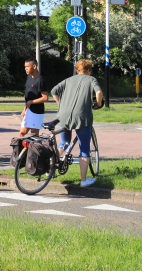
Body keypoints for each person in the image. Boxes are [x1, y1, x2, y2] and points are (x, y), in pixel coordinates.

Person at [49, 59, 103, 188]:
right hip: (82, 117)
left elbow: (53, 91)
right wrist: (99, 104)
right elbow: (99, 93)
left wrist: (61, 105)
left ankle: (49, 169)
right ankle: (84, 180)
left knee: (63, 143)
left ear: (77, 70)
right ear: (88, 70)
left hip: (63, 116)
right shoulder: (91, 79)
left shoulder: (68, 80)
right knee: (84, 149)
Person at [19, 57, 49, 137]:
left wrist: (31, 102)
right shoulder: (29, 77)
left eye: (27, 67)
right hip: (29, 110)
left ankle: (35, 149)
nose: (26, 69)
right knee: (22, 133)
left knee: (34, 136)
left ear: (34, 66)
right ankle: (24, 149)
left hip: (37, 112)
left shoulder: (40, 80)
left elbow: (45, 98)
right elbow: (28, 97)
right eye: (25, 67)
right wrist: (24, 110)